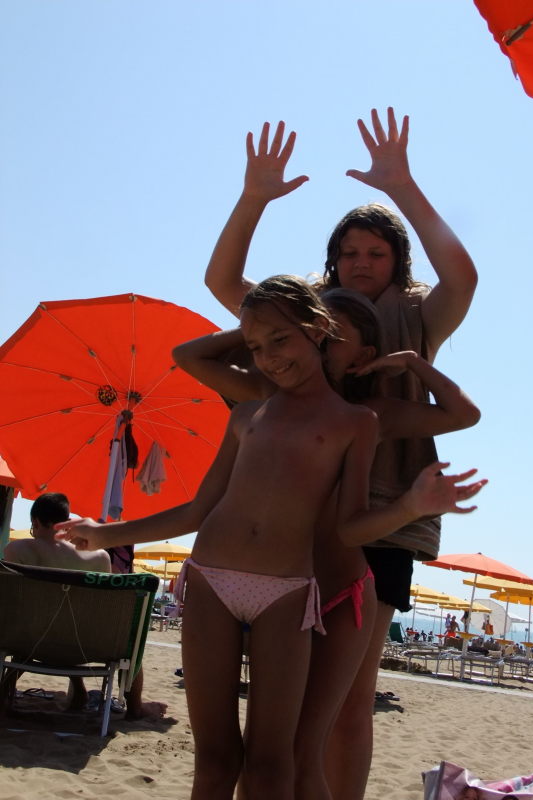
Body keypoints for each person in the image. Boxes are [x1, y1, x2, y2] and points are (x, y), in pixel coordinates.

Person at [56, 276, 485, 800]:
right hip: (210, 580)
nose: (269, 357)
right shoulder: (247, 413)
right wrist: (107, 533)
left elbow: (351, 527)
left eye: (281, 339)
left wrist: (409, 507)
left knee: (271, 764)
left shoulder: (359, 422)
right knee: (214, 761)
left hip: (289, 593)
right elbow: (198, 510)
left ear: (318, 330)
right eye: (256, 347)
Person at [203, 108, 478, 799]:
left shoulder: (415, 314)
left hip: (383, 523)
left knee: (350, 700)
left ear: (398, 262)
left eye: (376, 253)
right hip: (301, 524)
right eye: (350, 252)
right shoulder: (308, 314)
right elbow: (225, 285)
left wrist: (402, 186)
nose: (361, 263)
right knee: (285, 707)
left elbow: (463, 279)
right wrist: (253, 198)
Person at [2, 492, 111, 710]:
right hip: (82, 646)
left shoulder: (17, 549)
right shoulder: (100, 557)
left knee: (30, 621)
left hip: (30, 641)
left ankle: (5, 686)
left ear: (35, 522)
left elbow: (13, 602)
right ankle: (82, 690)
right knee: (66, 623)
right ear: (67, 521)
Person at [105, 543, 168, 721]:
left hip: (59, 641)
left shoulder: (74, 556)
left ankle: (79, 691)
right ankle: (135, 707)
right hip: (113, 642)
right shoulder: (114, 560)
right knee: (132, 650)